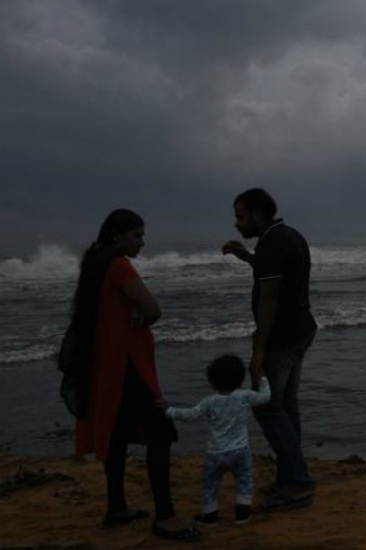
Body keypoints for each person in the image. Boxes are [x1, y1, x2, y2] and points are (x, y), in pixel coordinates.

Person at [70, 209, 202, 542]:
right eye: (137, 236)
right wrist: (144, 318)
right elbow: (153, 308)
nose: (142, 242)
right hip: (128, 365)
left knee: (116, 434)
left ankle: (116, 508)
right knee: (160, 434)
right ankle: (166, 515)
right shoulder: (117, 264)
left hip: (106, 363)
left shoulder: (95, 263)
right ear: (117, 235)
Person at [221, 188, 318, 511]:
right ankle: (290, 477)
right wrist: (248, 258)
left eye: (240, 216)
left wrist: (258, 351)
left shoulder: (273, 242)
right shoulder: (288, 236)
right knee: (285, 405)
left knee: (266, 406)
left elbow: (270, 298)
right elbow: (279, 277)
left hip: (282, 336)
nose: (236, 223)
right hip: (301, 330)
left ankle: (298, 481)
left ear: (258, 214)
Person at [162, 354, 272, 526]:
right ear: (240, 379)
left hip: (216, 452)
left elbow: (190, 415)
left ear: (212, 381)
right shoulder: (245, 396)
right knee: (244, 480)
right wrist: (263, 379)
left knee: (210, 484)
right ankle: (242, 512)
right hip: (240, 450)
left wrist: (168, 410)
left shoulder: (209, 402)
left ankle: (210, 515)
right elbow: (265, 397)